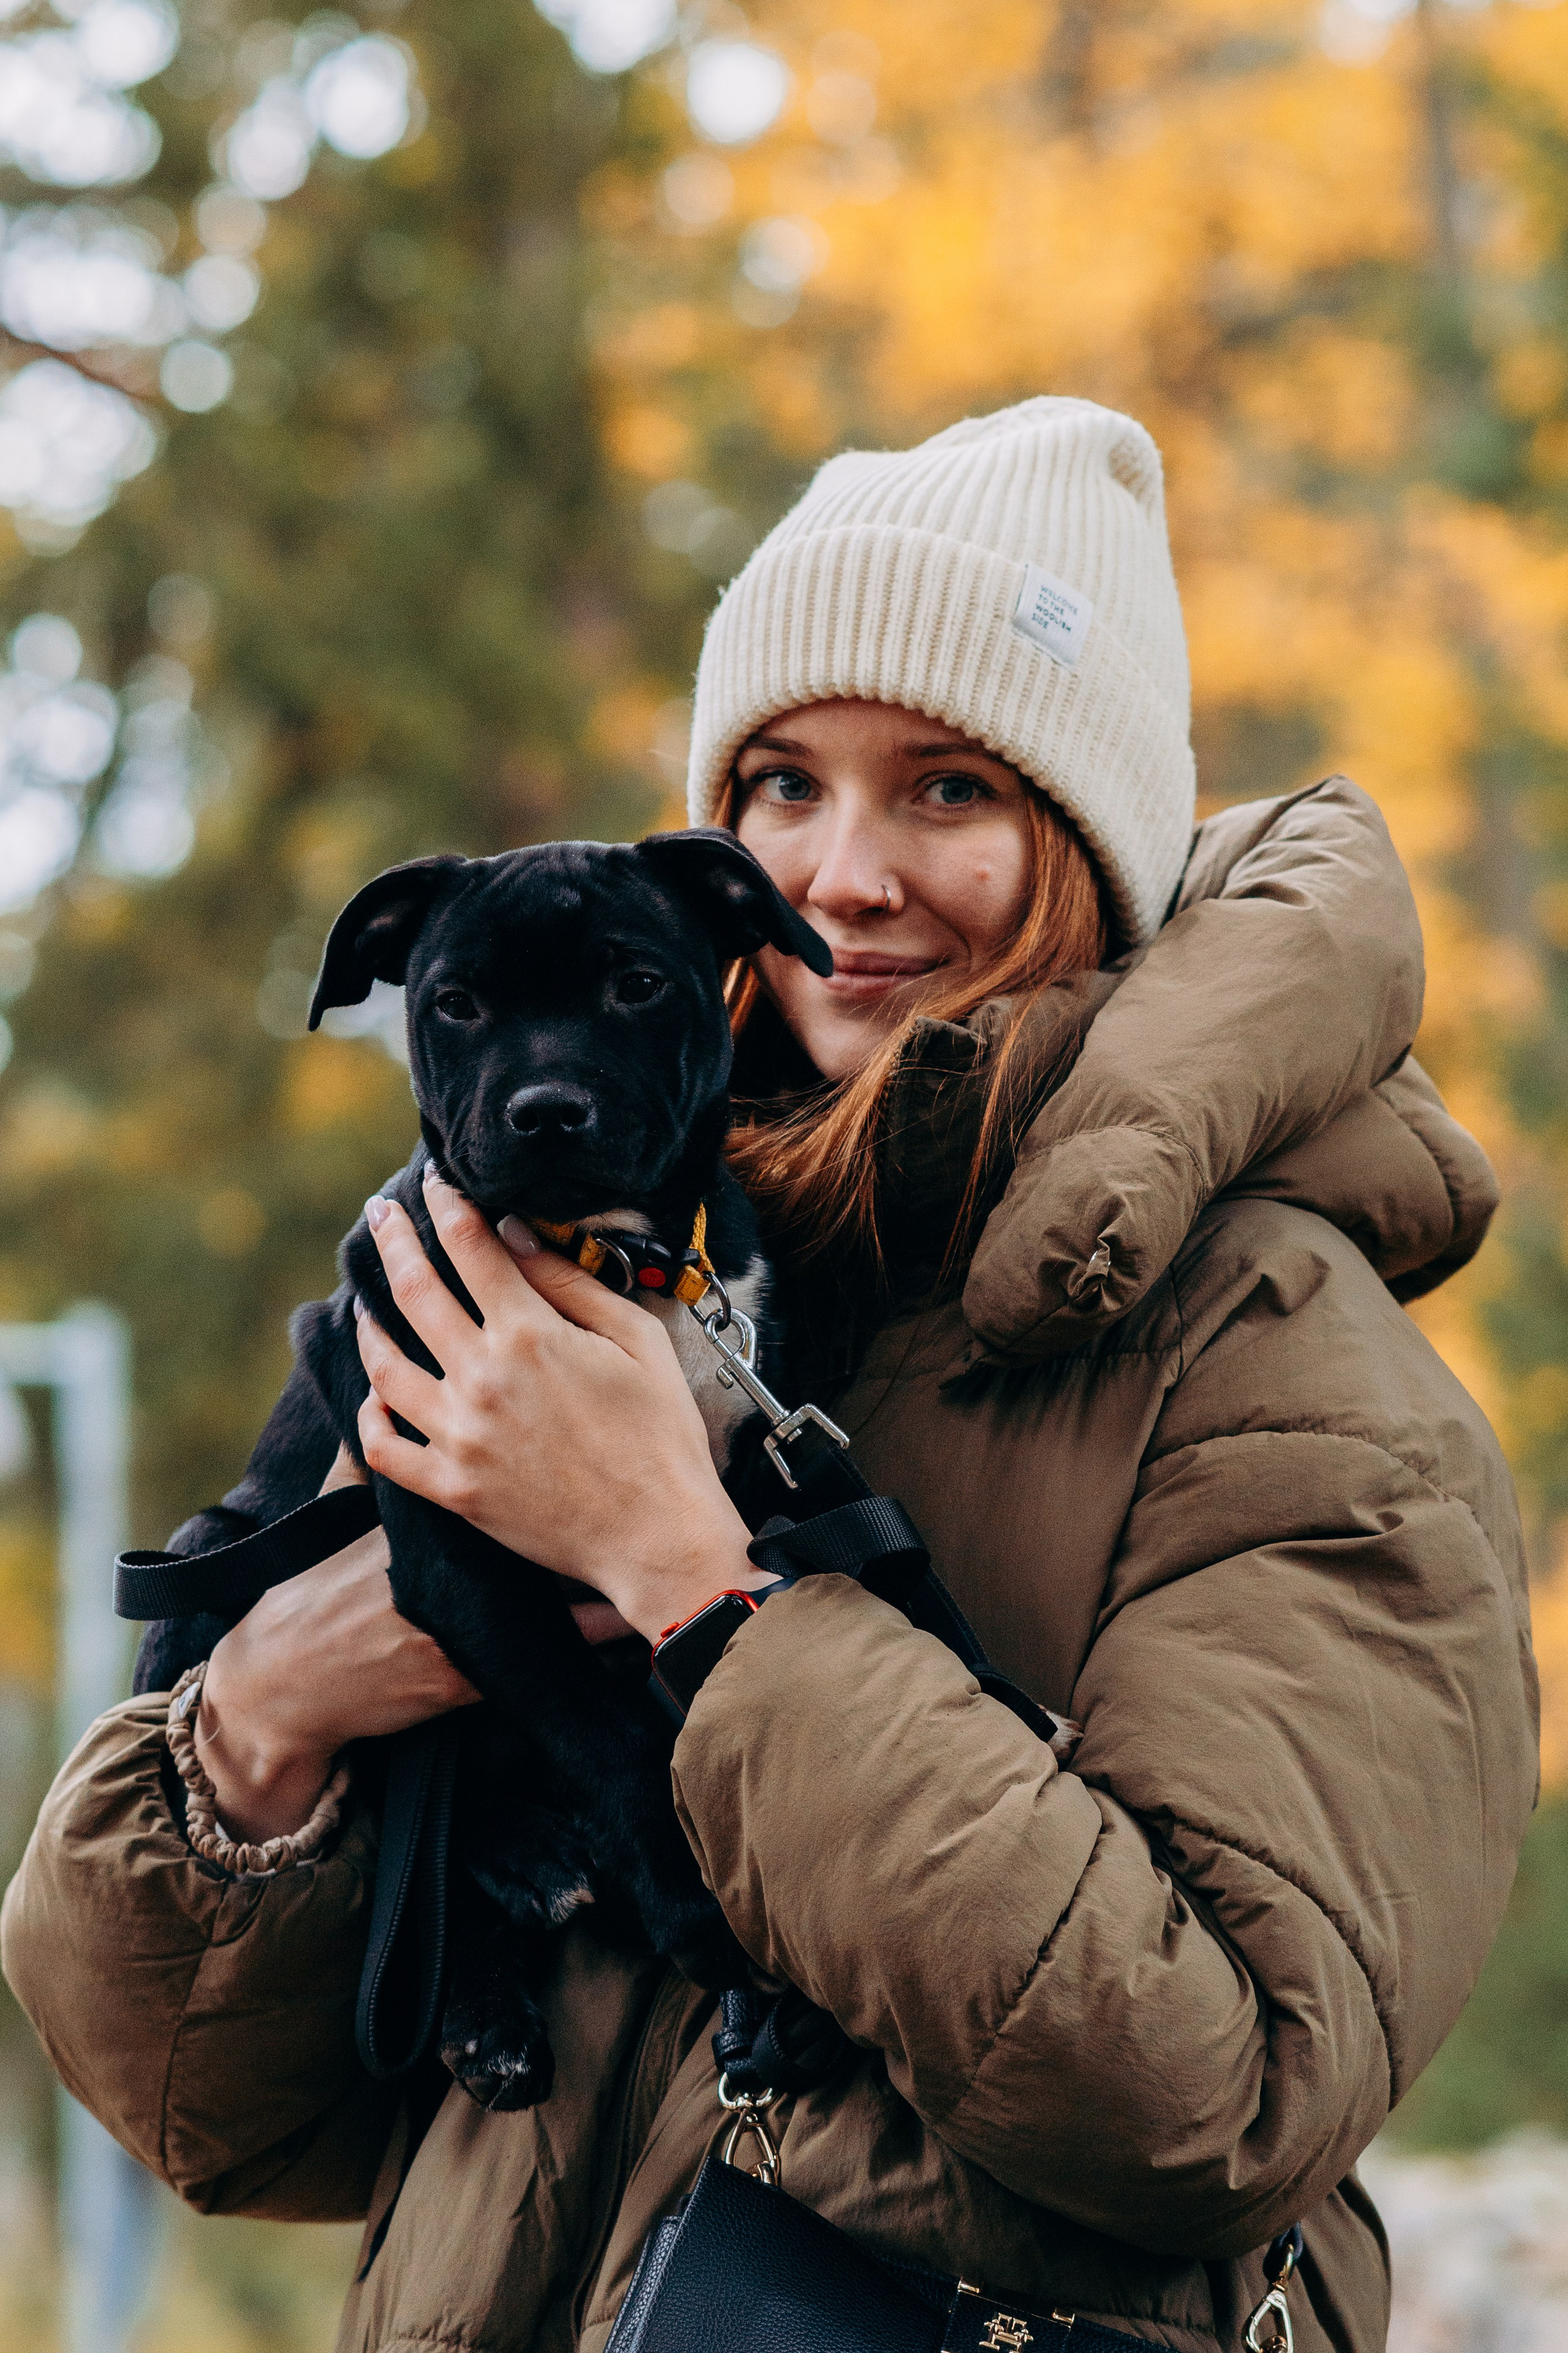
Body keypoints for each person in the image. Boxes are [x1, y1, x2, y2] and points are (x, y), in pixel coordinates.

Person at [2, 399, 1537, 2353]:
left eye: (952, 790)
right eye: (784, 785)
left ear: (1095, 840)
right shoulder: (635, 1279)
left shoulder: (1294, 1375)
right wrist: (276, 1707)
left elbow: (1213, 2098)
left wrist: (693, 1585)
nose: (849, 871)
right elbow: (214, 2111)